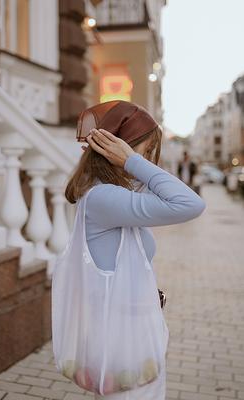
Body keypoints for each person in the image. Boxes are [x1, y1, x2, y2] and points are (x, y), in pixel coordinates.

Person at [64, 100, 206, 399]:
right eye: (147, 149)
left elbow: (161, 192)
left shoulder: (112, 192)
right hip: (121, 344)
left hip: (131, 336)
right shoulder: (104, 198)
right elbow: (190, 204)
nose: (150, 158)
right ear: (122, 147)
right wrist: (131, 161)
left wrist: (127, 165)